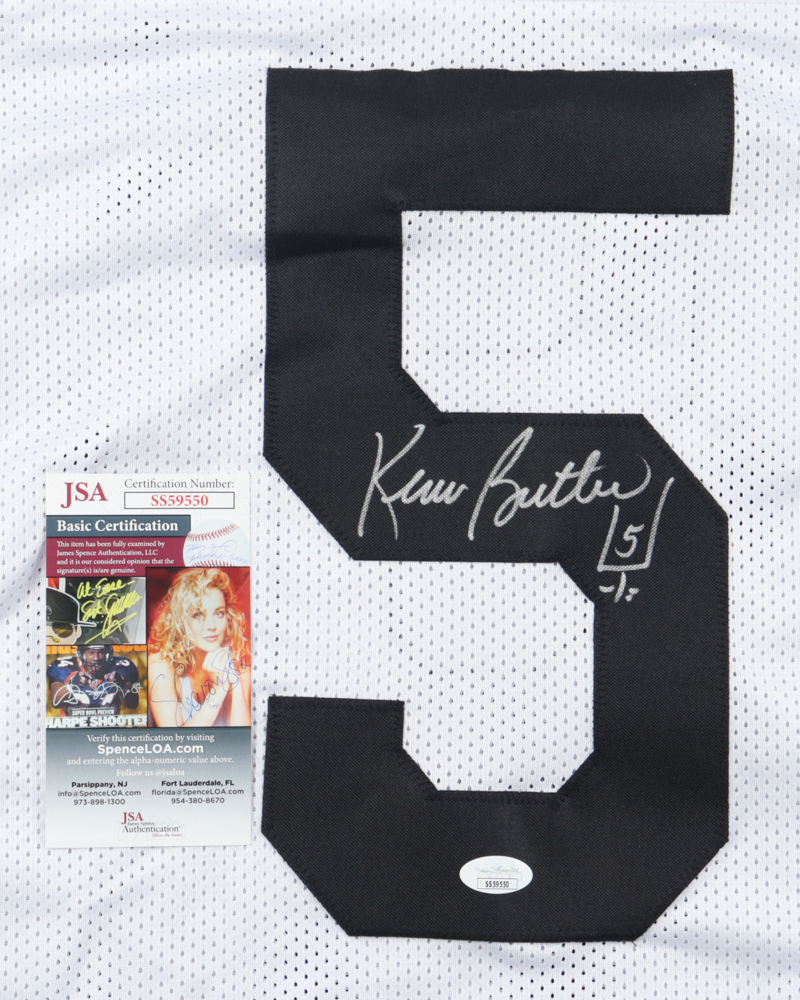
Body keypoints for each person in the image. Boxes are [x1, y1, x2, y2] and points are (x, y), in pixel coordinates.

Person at [147, 568, 251, 727]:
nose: (212, 626)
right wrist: (219, 689)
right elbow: (174, 740)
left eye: (219, 613)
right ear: (181, 621)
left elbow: (242, 737)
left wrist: (235, 684)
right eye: (198, 615)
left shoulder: (240, 661)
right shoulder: (160, 665)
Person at [47, 644, 140, 716]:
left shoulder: (120, 666)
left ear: (108, 654)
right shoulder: (65, 667)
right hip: (73, 727)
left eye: (101, 652)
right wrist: (71, 686)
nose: (96, 658)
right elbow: (55, 701)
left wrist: (121, 685)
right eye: (91, 653)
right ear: (81, 654)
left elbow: (133, 704)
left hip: (109, 727)